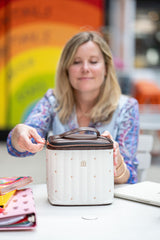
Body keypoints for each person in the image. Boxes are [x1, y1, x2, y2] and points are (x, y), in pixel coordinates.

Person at [7, 31, 139, 184]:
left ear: (107, 68)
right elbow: (19, 146)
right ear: (66, 69)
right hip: (63, 196)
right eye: (76, 62)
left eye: (94, 61)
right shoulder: (52, 101)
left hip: (109, 198)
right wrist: (19, 136)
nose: (85, 68)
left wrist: (118, 165)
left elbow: (129, 175)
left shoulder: (127, 107)